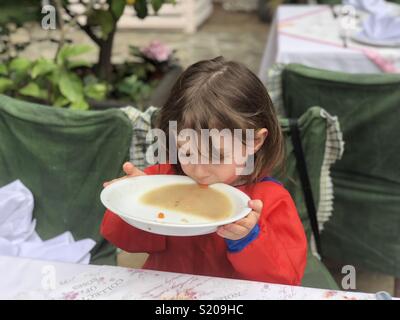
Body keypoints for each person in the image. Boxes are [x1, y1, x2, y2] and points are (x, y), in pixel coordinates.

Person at [100, 57, 307, 285]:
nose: (198, 170)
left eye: (216, 156)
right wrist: (131, 202)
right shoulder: (163, 181)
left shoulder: (270, 200)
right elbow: (121, 238)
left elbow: (287, 280)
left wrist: (249, 238)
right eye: (186, 152)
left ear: (255, 141)